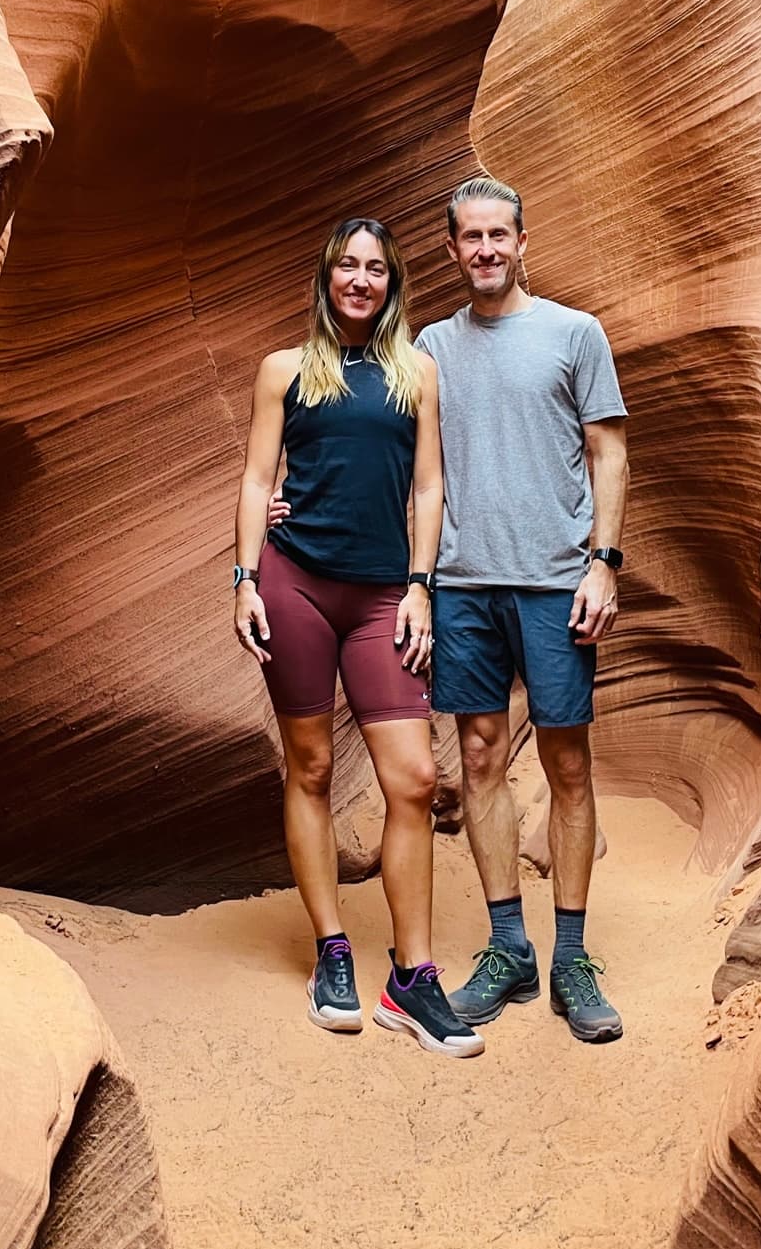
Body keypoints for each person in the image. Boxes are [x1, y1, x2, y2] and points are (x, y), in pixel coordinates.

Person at [232, 216, 483, 1058]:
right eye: (348, 265)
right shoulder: (285, 370)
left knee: (414, 778)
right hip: (295, 583)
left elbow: (429, 485)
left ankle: (412, 979)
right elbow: (258, 478)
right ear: (327, 276)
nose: (361, 280)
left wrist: (420, 586)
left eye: (376, 268)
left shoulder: (417, 372)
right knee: (308, 768)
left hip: (383, 597)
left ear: (392, 283)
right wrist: (245, 579)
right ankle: (333, 951)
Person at [420, 176, 629, 1042]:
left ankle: (572, 958)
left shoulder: (575, 334)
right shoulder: (431, 346)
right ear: (452, 249)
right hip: (464, 581)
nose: (486, 250)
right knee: (477, 755)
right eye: (471, 237)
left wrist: (604, 564)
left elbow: (609, 453)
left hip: (554, 580)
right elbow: (411, 465)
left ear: (522, 241)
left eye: (498, 235)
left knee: (567, 761)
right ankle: (509, 948)